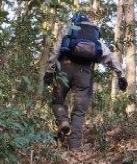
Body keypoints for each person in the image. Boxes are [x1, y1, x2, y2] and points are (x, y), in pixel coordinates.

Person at [43, 12, 128, 150]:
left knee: (57, 101)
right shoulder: (93, 35)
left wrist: (49, 71)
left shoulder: (69, 29)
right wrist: (121, 75)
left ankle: (63, 121)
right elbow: (108, 56)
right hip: (84, 72)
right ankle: (74, 147)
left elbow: (56, 50)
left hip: (64, 68)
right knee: (79, 111)